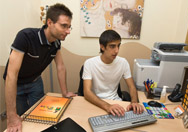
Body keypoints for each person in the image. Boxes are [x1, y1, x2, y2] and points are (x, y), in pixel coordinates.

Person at [3, 3, 76, 132]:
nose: (68, 31)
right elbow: (11, 75)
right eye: (64, 26)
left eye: (69, 27)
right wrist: (11, 115)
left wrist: (64, 92)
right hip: (17, 85)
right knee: (20, 121)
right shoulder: (25, 36)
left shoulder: (57, 43)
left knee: (40, 119)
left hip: (35, 83)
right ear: (49, 22)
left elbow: (60, 67)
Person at [82, 30, 144, 117]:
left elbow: (131, 86)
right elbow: (87, 92)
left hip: (115, 102)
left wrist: (134, 102)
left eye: (118, 46)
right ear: (102, 47)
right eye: (112, 46)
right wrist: (107, 106)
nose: (117, 50)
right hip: (96, 102)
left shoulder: (123, 62)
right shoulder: (89, 63)